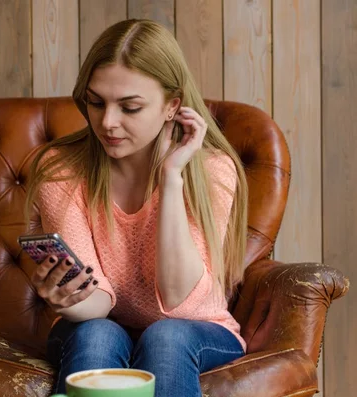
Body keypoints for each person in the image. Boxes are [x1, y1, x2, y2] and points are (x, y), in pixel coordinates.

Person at [25, 18, 249, 396]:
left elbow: (178, 302)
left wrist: (172, 177)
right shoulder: (62, 172)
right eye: (96, 103)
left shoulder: (211, 170)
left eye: (129, 107)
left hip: (194, 326)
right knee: (96, 333)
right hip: (99, 324)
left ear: (171, 106)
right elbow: (97, 301)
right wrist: (68, 301)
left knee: (166, 337)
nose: (107, 123)